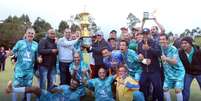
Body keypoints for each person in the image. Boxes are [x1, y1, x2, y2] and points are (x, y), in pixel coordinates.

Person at [11, 28, 38, 101]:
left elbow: (37, 57)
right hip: (19, 69)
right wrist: (13, 56)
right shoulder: (20, 43)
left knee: (28, 87)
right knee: (15, 86)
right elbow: (14, 51)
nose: (30, 34)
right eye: (29, 33)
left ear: (34, 35)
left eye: (32, 33)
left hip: (29, 70)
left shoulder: (36, 44)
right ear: (25, 34)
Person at [138, 28, 163, 101]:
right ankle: (145, 99)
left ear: (149, 34)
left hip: (154, 70)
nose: (145, 35)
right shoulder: (139, 44)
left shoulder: (155, 42)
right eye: (143, 34)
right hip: (144, 71)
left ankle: (156, 98)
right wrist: (142, 59)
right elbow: (139, 56)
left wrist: (149, 48)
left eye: (147, 34)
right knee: (142, 86)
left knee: (157, 88)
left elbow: (159, 53)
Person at [6, 78, 82, 101]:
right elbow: (51, 91)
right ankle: (12, 90)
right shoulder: (64, 86)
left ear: (77, 86)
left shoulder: (76, 96)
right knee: (35, 88)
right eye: (72, 83)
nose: (73, 85)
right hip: (49, 96)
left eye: (75, 84)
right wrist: (55, 90)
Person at [160, 34, 185, 101]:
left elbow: (175, 62)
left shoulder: (173, 49)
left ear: (167, 40)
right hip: (168, 73)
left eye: (164, 39)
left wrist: (166, 58)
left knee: (177, 90)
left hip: (178, 72)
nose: (162, 41)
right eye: (161, 39)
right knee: (165, 89)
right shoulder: (160, 49)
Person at [178, 36, 201, 101]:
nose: (183, 45)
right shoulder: (180, 52)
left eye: (185, 43)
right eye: (182, 43)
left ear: (190, 44)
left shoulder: (198, 51)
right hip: (188, 73)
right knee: (185, 89)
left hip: (199, 73)